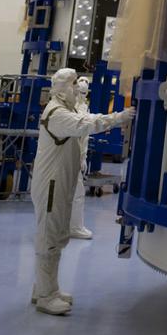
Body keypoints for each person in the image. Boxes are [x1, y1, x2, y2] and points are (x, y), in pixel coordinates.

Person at [31, 67, 135, 316]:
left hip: (60, 181)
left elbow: (86, 118)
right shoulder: (57, 113)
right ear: (61, 88)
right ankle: (46, 296)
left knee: (55, 236)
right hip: (52, 184)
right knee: (49, 238)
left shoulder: (66, 109)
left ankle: (45, 288)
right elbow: (87, 123)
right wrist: (119, 117)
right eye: (73, 83)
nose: (77, 88)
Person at [69, 75, 93, 240]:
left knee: (76, 192)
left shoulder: (84, 108)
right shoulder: (68, 107)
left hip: (76, 155)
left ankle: (73, 226)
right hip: (67, 154)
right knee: (71, 192)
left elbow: (85, 137)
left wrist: (83, 157)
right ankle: (71, 227)